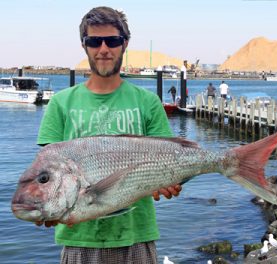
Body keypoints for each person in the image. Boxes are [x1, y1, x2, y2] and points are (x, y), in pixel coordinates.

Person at [36, 6, 182, 264]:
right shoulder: (60, 104)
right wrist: (43, 205)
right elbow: (48, 175)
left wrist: (172, 182)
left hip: (137, 237)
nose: (104, 49)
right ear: (84, 46)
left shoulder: (148, 102)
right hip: (78, 242)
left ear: (124, 44)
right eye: (94, 41)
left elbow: (170, 159)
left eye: (112, 40)